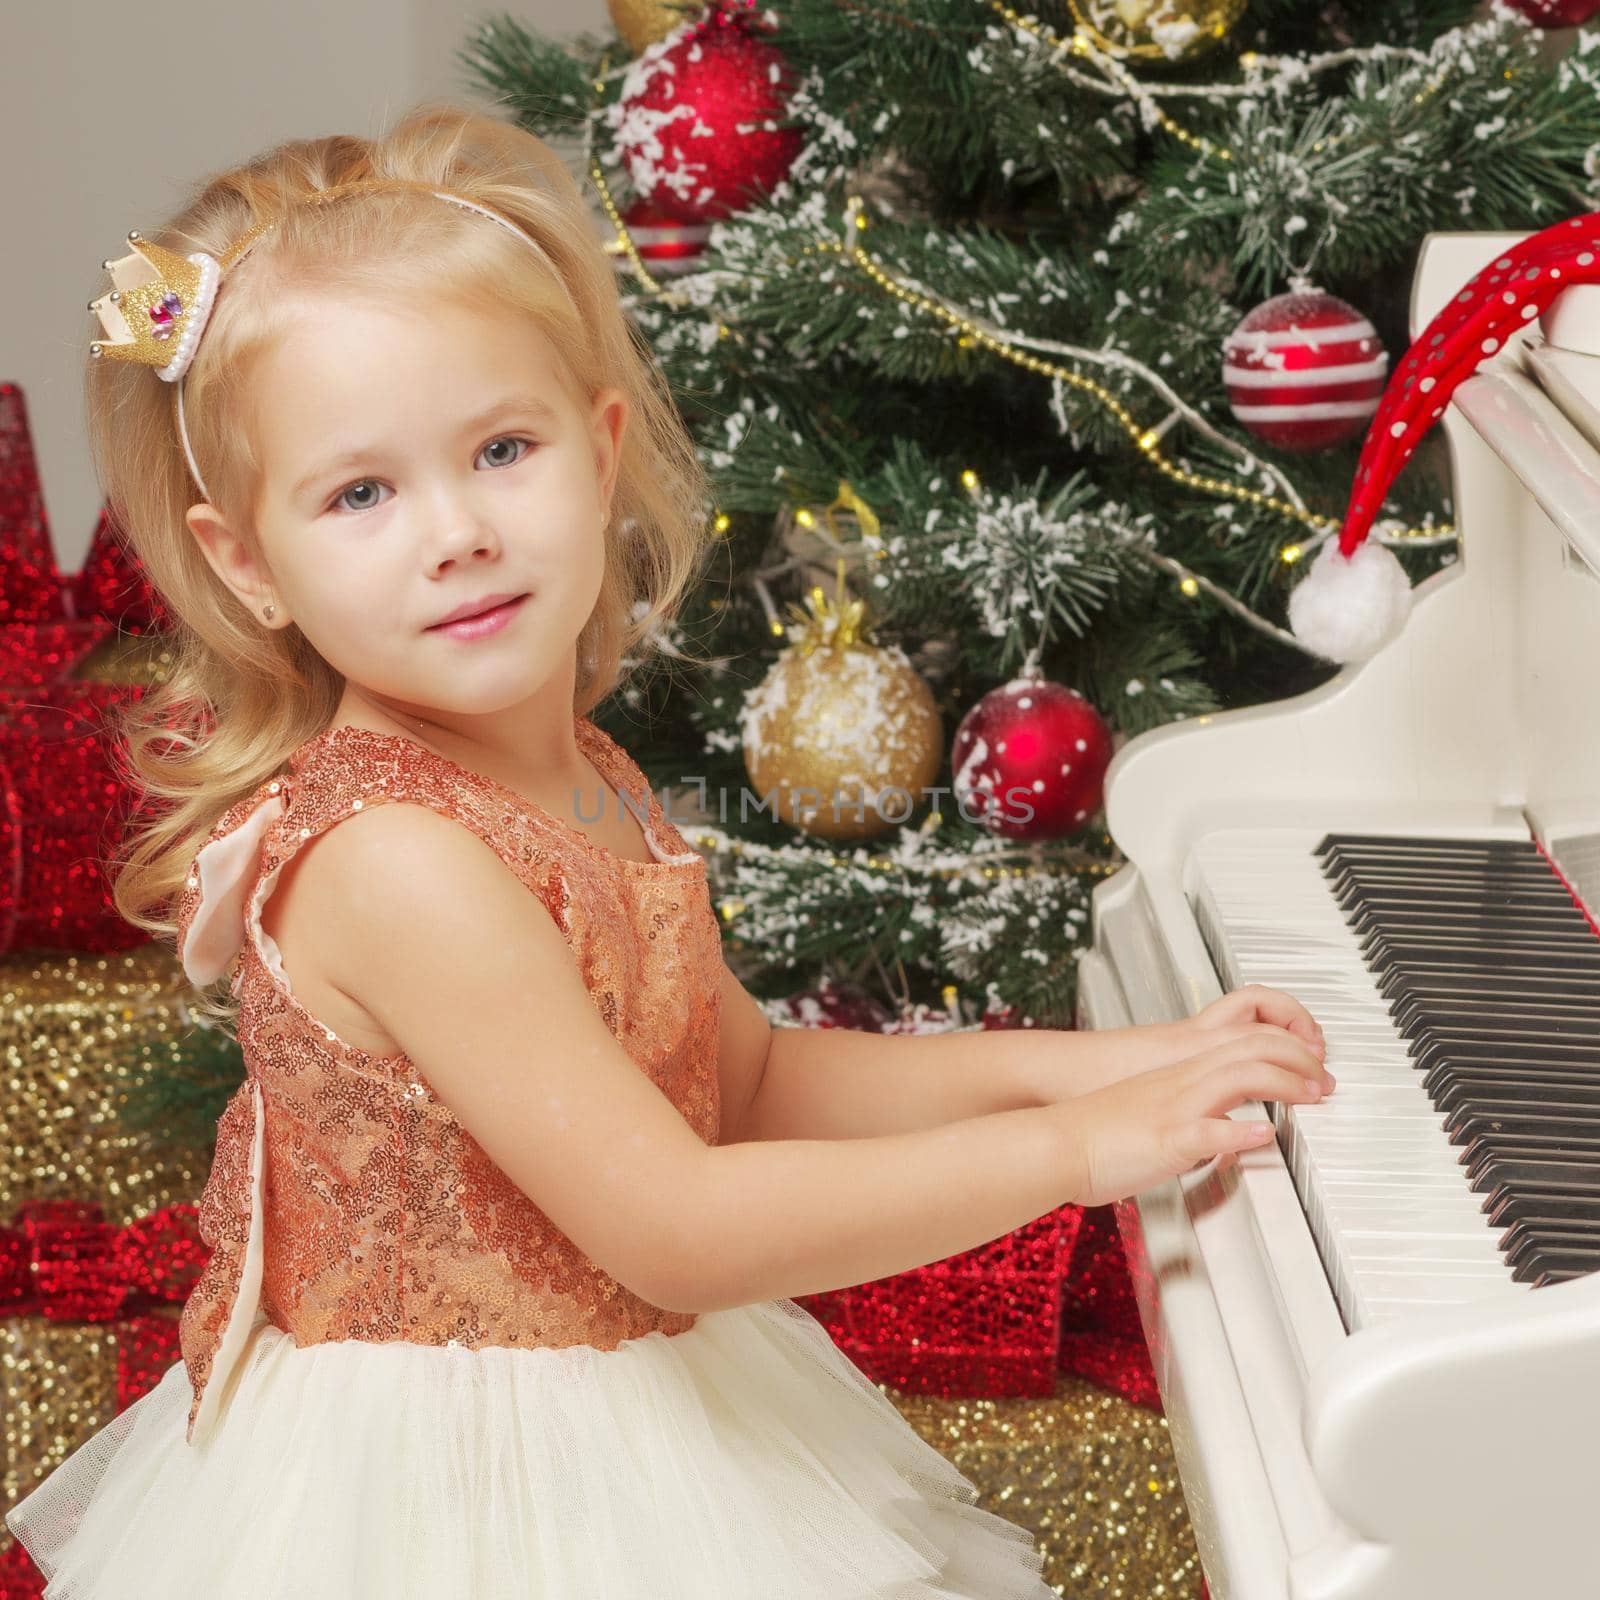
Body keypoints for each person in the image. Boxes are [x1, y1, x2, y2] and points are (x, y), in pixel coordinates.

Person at [3, 101, 1332, 1598]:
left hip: (612, 1394)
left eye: (502, 449)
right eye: (360, 493)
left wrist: (1113, 1063)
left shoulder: (577, 768)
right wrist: (1080, 1155)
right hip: (459, 1497)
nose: (456, 533)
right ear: (249, 562)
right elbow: (679, 1232)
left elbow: (748, 1080)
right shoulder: (397, 859)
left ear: (600, 444)